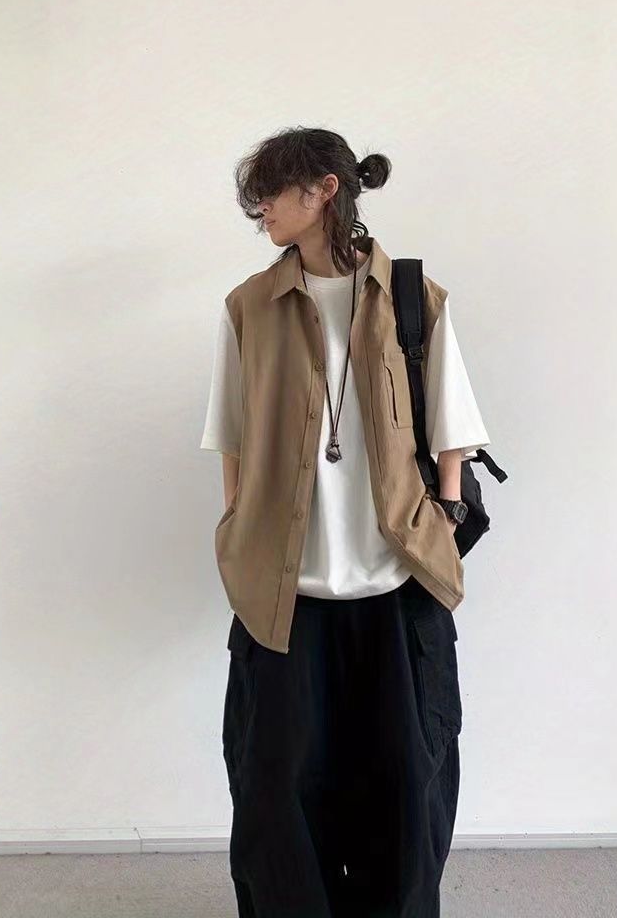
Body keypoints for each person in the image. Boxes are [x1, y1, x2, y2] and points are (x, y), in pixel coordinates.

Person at [200, 127, 492, 918]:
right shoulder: (248, 307)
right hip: (285, 596)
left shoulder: (412, 297)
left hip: (397, 586)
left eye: (272, 192)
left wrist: (447, 510)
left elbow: (453, 428)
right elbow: (229, 435)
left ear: (325, 189)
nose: (260, 210)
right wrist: (237, 526)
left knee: (405, 788)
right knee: (276, 792)